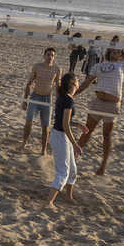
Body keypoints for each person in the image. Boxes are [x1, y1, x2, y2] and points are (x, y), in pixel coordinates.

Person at [73, 48, 124, 175]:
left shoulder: (123, 65)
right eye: (113, 51)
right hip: (98, 103)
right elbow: (86, 83)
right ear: (109, 52)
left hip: (112, 105)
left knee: (107, 135)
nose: (115, 52)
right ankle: (73, 157)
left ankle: (103, 166)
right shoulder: (98, 66)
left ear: (121, 55)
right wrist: (73, 94)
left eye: (118, 51)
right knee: (87, 131)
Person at [47, 72, 79, 207]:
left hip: (60, 134)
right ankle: (48, 201)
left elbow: (64, 121)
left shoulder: (64, 97)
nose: (78, 83)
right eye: (77, 81)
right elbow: (65, 125)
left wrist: (77, 124)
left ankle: (68, 196)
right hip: (60, 136)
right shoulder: (68, 100)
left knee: (72, 170)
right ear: (72, 84)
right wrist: (75, 144)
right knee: (63, 171)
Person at [20, 47, 58, 155]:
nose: (50, 57)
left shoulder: (57, 69)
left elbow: (58, 87)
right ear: (44, 55)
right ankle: (24, 142)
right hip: (35, 97)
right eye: (48, 54)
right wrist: (25, 100)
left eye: (52, 55)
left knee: (46, 126)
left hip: (47, 99)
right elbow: (29, 83)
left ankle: (43, 149)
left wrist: (58, 102)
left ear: (54, 57)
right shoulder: (37, 66)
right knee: (28, 121)